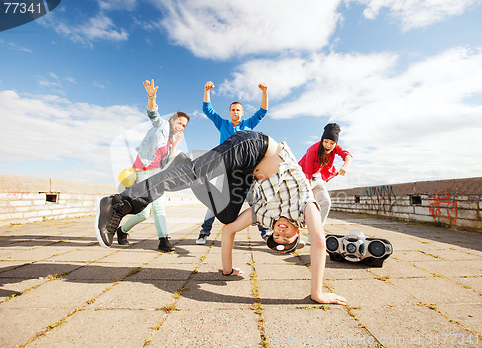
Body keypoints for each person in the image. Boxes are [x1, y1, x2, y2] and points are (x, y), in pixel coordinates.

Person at [95, 130, 347, 305]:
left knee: (227, 216)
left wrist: (227, 269)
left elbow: (229, 231)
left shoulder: (265, 215)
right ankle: (120, 203)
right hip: (254, 146)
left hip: (248, 172)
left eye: (276, 235)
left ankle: (182, 163)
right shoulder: (306, 209)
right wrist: (317, 292)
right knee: (193, 173)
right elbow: (319, 242)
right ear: (297, 233)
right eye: (286, 236)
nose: (280, 231)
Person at [115, 79, 189, 252]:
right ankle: (160, 239)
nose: (181, 127)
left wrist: (176, 144)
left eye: (184, 126)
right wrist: (151, 96)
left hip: (157, 173)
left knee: (150, 210)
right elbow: (153, 113)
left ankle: (126, 231)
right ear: (172, 120)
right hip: (142, 171)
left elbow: (168, 161)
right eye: (179, 122)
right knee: (151, 210)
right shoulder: (162, 125)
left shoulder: (171, 140)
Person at [196, 81, 270, 245]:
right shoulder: (222, 124)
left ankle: (265, 232)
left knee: (254, 201)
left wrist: (264, 92)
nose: (235, 112)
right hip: (226, 168)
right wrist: (206, 90)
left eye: (238, 110)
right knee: (216, 202)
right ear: (229, 112)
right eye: (233, 110)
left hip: (245, 171)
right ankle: (204, 232)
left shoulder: (248, 125)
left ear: (242, 113)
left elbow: (263, 111)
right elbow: (207, 110)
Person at [298, 123, 353, 240]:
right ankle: (292, 232)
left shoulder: (335, 148)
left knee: (326, 203)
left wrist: (345, 166)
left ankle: (315, 234)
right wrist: (308, 195)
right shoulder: (312, 150)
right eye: (326, 142)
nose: (328, 146)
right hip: (303, 178)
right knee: (301, 205)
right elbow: (307, 172)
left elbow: (348, 156)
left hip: (317, 178)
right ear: (322, 140)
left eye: (332, 143)